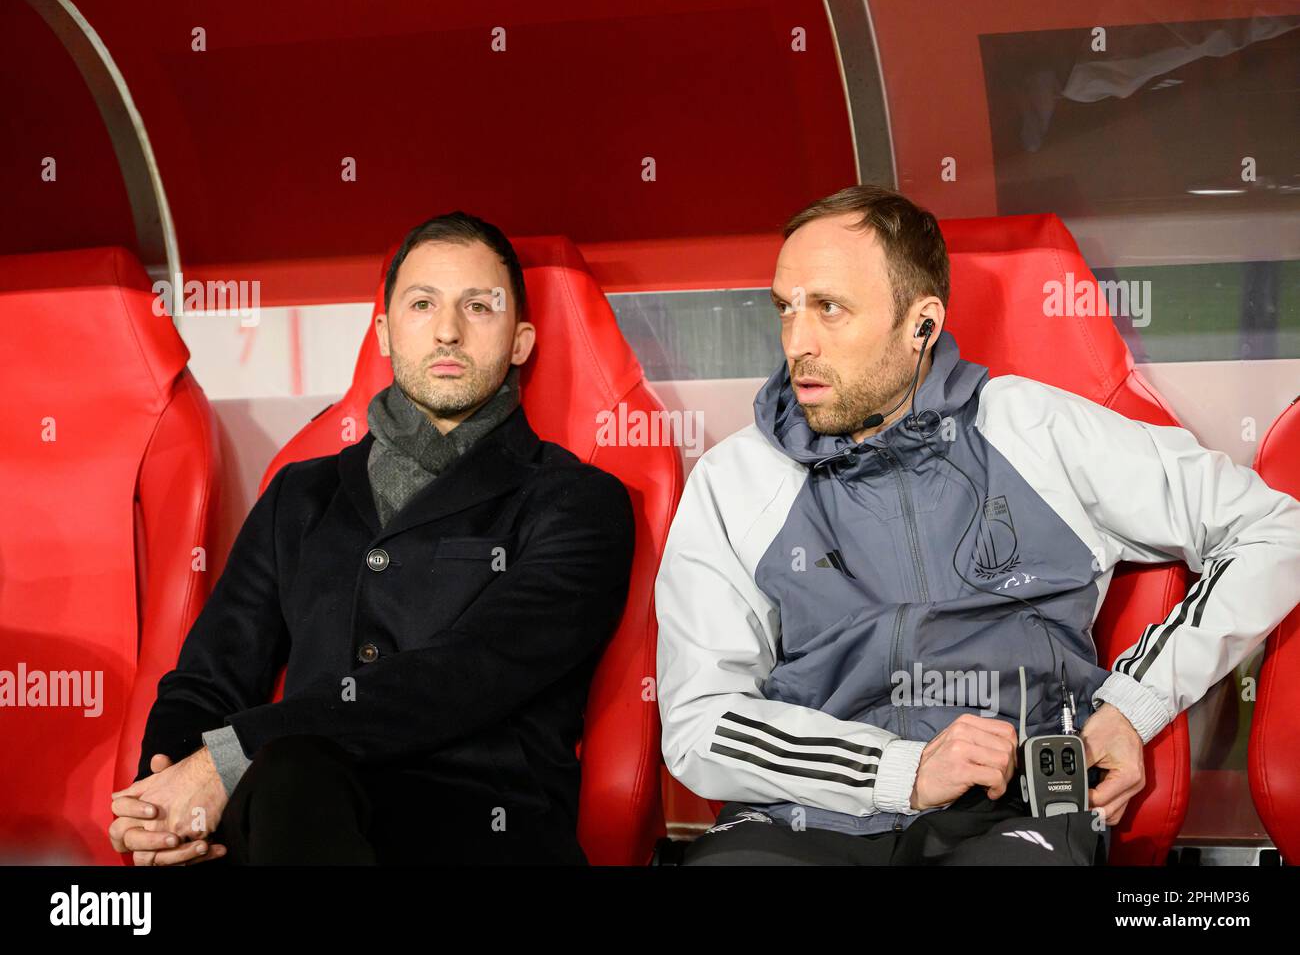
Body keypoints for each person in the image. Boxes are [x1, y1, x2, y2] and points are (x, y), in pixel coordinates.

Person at [655, 185, 1300, 865]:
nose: (797, 342)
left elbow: (1275, 532)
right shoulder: (737, 478)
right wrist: (895, 772)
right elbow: (700, 722)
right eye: (785, 309)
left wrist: (1133, 704)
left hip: (1009, 814)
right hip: (800, 819)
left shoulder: (1034, 429)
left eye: (829, 309)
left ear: (922, 325)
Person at [108, 212, 635, 865]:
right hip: (288, 819)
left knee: (291, 768)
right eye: (422, 304)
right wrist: (161, 801)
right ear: (384, 332)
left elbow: (462, 677)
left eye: (479, 306)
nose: (448, 330)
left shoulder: (579, 501)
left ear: (521, 340)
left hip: (481, 832)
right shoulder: (298, 495)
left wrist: (231, 755)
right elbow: (206, 680)